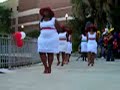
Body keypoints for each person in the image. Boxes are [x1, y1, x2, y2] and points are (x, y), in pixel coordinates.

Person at [38, 7, 61, 74]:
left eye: (47, 11)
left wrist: (53, 35)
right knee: (41, 51)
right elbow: (39, 30)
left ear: (49, 12)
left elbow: (59, 29)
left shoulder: (53, 20)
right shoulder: (41, 21)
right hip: (42, 38)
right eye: (44, 11)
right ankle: (45, 67)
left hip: (52, 38)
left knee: (50, 52)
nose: (45, 12)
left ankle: (49, 67)